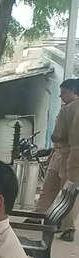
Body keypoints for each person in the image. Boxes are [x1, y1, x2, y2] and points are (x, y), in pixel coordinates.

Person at [35, 79, 79, 241]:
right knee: (51, 186)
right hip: (60, 153)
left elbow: (58, 135)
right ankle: (39, 215)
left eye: (64, 92)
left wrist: (55, 139)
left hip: (70, 154)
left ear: (75, 92)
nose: (61, 96)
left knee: (67, 192)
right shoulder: (67, 108)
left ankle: (68, 228)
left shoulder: (70, 109)